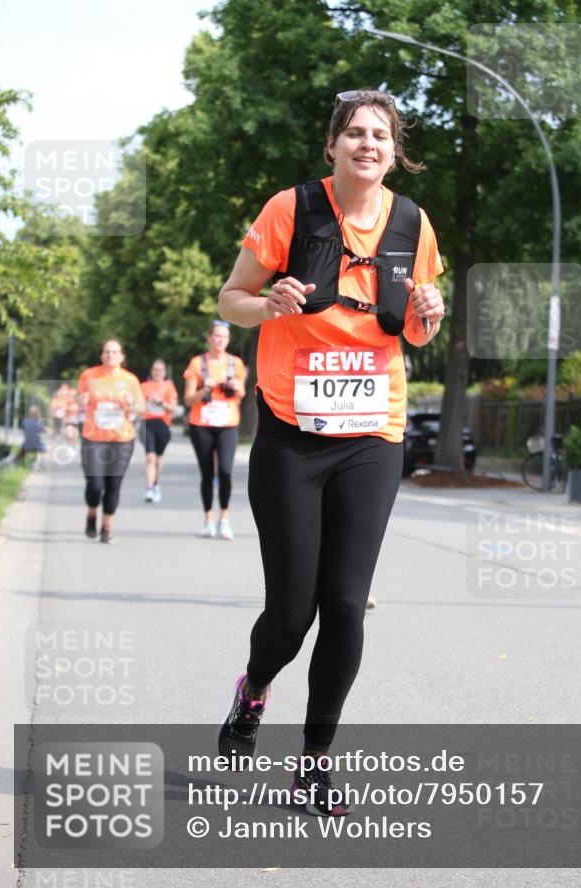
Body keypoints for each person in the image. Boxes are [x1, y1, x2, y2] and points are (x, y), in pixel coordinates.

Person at [216, 88, 445, 815]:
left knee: (345, 605)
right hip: (291, 435)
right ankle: (253, 691)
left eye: (379, 135)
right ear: (332, 146)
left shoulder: (412, 223)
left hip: (372, 436)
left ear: (393, 151)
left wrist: (430, 314)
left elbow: (413, 328)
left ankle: (313, 765)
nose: (366, 144)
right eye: (354, 133)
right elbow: (230, 298)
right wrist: (268, 303)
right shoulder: (290, 209)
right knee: (291, 615)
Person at [183, 321, 247, 539]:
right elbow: (188, 399)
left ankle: (225, 518)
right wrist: (205, 389)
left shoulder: (235, 363)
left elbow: (241, 394)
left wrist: (237, 387)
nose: (220, 340)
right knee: (207, 473)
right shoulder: (196, 363)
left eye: (225, 337)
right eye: (217, 336)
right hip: (202, 424)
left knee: (226, 471)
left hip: (227, 424)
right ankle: (208, 519)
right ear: (209, 338)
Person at [78, 338, 145, 544]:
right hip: (94, 437)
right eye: (107, 352)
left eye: (115, 352)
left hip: (121, 438)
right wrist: (81, 399)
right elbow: (79, 398)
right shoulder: (89, 375)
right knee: (95, 484)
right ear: (101, 355)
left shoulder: (130, 380)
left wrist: (133, 405)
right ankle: (92, 515)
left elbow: (141, 408)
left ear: (122, 357)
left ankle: (106, 528)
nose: (110, 355)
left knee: (113, 484)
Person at [139, 359, 178, 502]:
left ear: (164, 372)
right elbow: (138, 407)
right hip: (147, 423)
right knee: (150, 457)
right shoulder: (144, 386)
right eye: (155, 370)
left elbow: (173, 408)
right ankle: (149, 488)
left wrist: (160, 402)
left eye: (160, 370)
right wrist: (147, 402)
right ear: (151, 371)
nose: (157, 373)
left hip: (163, 424)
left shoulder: (169, 387)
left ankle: (156, 483)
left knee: (158, 458)